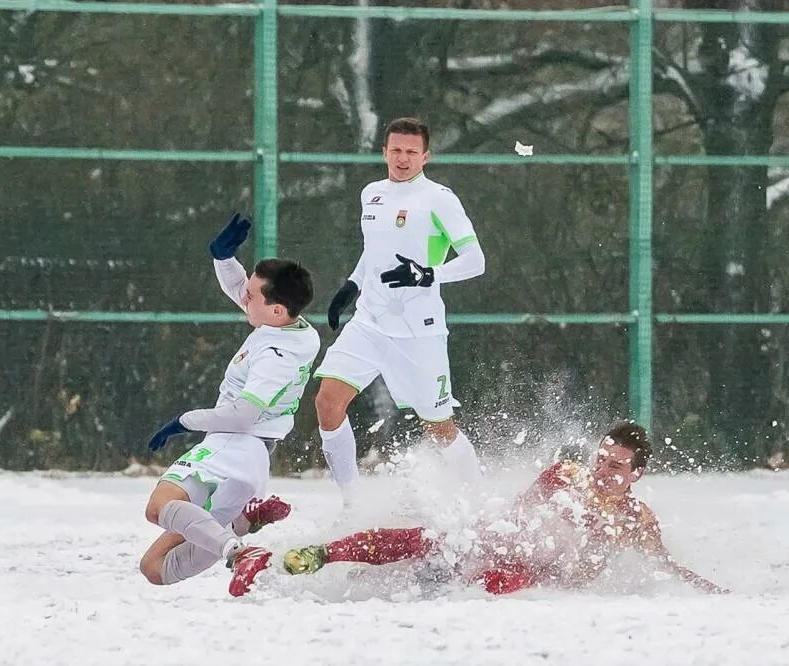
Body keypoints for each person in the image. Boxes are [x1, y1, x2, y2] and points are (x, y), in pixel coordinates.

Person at [273, 422, 728, 595]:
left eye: (617, 465)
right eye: (602, 458)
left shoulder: (637, 519)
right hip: (507, 540)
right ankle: (328, 554)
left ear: (636, 474)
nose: (604, 468)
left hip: (539, 574)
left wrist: (709, 588)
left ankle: (405, 587)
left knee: (496, 583)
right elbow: (518, 509)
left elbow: (661, 564)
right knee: (433, 540)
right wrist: (487, 531)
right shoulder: (568, 475)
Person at [139, 212, 320, 597]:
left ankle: (239, 552)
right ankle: (240, 525)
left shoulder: (274, 354)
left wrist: (183, 421)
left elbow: (243, 415)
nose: (243, 296)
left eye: (251, 295)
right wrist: (224, 257)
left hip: (233, 443)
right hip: (252, 458)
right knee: (154, 568)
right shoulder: (293, 327)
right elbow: (245, 290)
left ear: (274, 310)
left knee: (158, 507)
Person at [315, 117, 487, 500]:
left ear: (425, 156)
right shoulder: (372, 193)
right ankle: (352, 502)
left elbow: (476, 261)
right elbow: (374, 251)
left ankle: (478, 506)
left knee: (439, 426)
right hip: (369, 323)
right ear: (384, 152)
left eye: (411, 152)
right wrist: (352, 285)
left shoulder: (439, 199)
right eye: (396, 150)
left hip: (418, 331)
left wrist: (428, 274)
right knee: (327, 400)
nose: (403, 159)